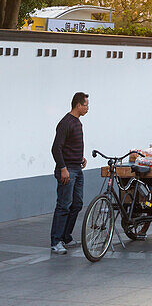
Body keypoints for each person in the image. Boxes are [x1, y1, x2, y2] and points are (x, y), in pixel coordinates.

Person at [50, 91, 89, 254]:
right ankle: (56, 241)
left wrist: (81, 157)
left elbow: (70, 145)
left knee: (77, 204)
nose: (88, 108)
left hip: (77, 168)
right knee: (63, 205)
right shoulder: (66, 122)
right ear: (78, 105)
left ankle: (66, 236)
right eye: (86, 105)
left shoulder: (77, 123)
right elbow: (56, 148)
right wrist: (63, 168)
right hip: (67, 171)